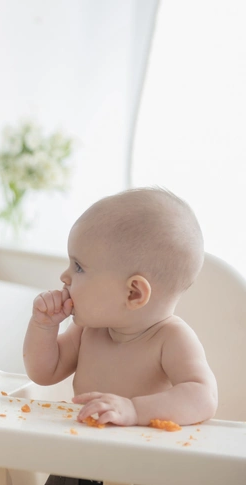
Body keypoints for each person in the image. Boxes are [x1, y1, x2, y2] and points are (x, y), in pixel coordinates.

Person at [23, 187, 218, 485]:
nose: (65, 277)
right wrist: (44, 327)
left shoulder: (171, 338)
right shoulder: (87, 330)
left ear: (133, 292)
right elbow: (43, 372)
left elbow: (203, 397)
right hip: (76, 463)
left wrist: (135, 409)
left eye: (78, 267)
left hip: (138, 470)